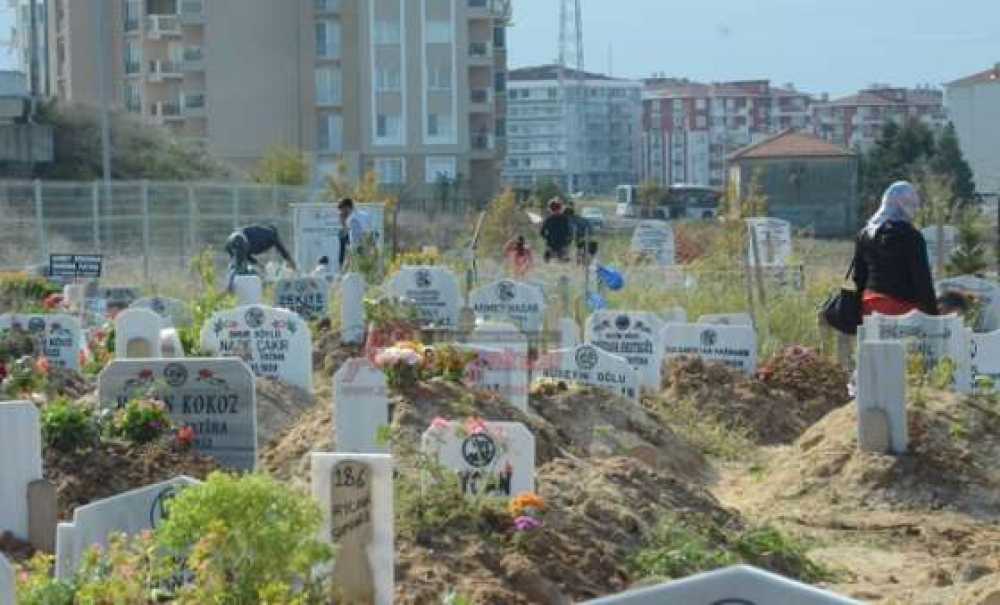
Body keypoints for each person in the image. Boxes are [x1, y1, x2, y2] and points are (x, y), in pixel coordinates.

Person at [852, 181, 937, 317]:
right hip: (903, 308)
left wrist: (858, 310)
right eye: (913, 204)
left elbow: (859, 276)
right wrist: (933, 314)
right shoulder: (911, 235)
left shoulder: (865, 233)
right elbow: (921, 278)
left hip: (869, 306)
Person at [225, 224, 296, 291]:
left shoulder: (255, 235)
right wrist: (290, 261)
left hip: (231, 240)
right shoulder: (271, 234)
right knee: (239, 268)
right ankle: (230, 286)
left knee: (238, 268)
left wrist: (258, 264)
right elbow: (282, 249)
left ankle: (230, 285)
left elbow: (246, 255)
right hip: (238, 240)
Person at [338, 198, 372, 269]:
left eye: (342, 210)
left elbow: (355, 237)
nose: (342, 213)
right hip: (365, 249)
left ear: (347, 207)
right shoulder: (364, 215)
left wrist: (343, 222)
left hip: (359, 250)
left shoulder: (352, 219)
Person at [540, 198, 571, 262]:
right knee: (563, 259)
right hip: (562, 243)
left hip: (551, 243)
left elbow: (542, 232)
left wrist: (547, 238)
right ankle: (562, 257)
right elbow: (569, 232)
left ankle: (551, 256)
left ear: (550, 209)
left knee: (548, 259)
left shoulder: (548, 219)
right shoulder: (565, 219)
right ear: (560, 208)